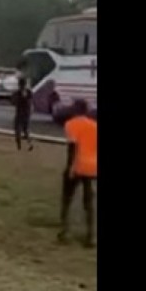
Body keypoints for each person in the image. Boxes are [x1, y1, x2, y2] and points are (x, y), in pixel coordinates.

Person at [59, 98, 97, 247]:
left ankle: (65, 231)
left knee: (67, 198)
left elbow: (72, 148)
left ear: (75, 109)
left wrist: (69, 168)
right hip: (93, 167)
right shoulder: (95, 126)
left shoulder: (71, 124)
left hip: (78, 166)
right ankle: (91, 236)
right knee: (89, 202)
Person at [10, 76, 34, 151]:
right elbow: (30, 103)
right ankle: (28, 144)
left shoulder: (20, 93)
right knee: (25, 130)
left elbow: (14, 102)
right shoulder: (28, 92)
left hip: (21, 114)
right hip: (25, 113)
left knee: (18, 130)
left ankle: (20, 147)